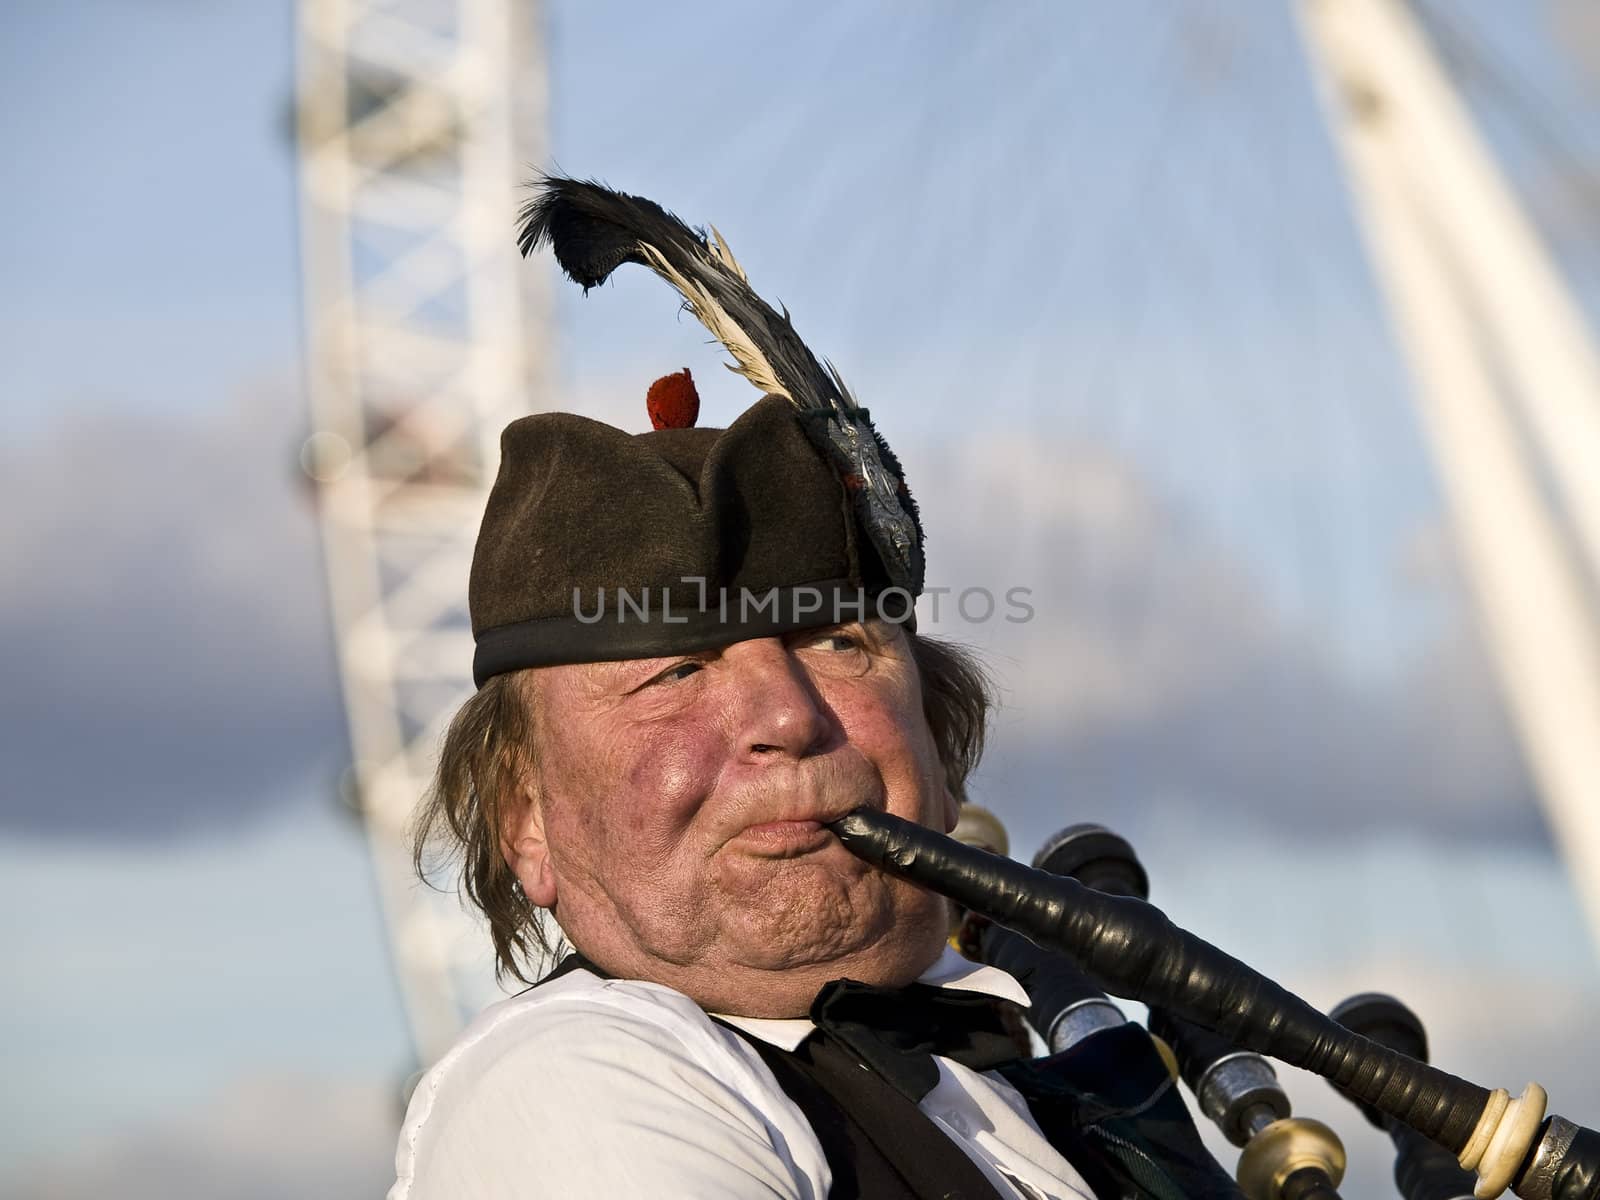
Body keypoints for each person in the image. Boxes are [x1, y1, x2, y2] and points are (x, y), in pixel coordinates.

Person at [389, 178, 1234, 1200]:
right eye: (675, 671)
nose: (786, 717)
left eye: (837, 645)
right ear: (525, 820)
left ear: (936, 733)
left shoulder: (1023, 1076)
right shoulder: (576, 1089)